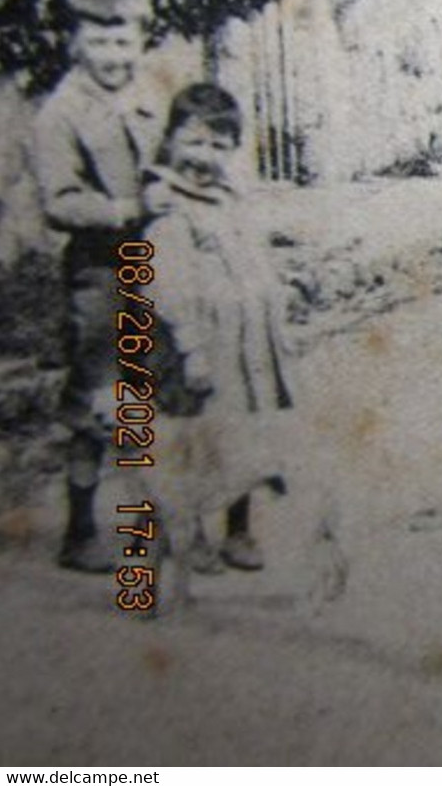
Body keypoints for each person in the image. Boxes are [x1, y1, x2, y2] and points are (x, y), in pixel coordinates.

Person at [32, 0, 162, 572]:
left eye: (125, 42)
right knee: (96, 392)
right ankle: (80, 529)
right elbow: (59, 202)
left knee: (149, 387)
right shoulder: (60, 113)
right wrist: (121, 210)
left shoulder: (149, 95)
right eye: (101, 43)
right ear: (76, 43)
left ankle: (149, 515)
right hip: (100, 269)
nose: (115, 56)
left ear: (141, 42)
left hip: (155, 261)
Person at [144, 83, 291, 576]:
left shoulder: (230, 199)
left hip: (247, 344)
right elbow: (163, 285)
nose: (205, 157)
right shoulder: (167, 207)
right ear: (170, 140)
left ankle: (239, 528)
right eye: (194, 142)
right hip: (205, 347)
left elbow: (254, 257)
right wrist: (190, 348)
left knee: (247, 435)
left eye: (218, 145)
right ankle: (193, 534)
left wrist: (276, 304)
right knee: (202, 441)